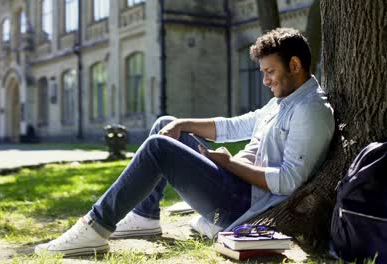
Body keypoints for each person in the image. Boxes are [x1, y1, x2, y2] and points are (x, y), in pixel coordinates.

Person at [35, 27, 335, 257]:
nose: (265, 80)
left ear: (294, 65)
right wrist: (183, 124)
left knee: (158, 147)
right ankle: (145, 217)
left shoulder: (310, 110)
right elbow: (234, 126)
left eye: (270, 72)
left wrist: (230, 164)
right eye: (263, 73)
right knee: (166, 126)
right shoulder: (282, 101)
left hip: (243, 205)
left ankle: (95, 227)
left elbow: (288, 182)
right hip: (236, 183)